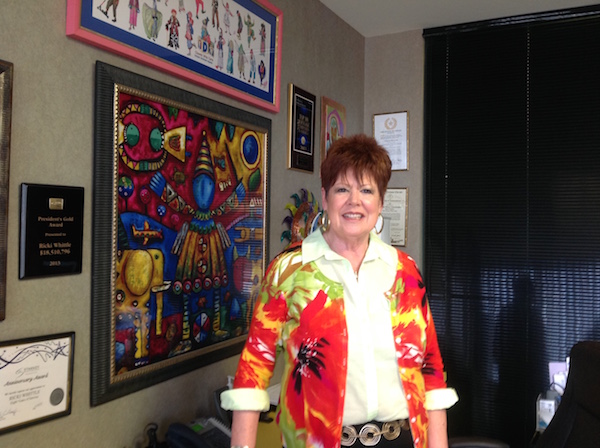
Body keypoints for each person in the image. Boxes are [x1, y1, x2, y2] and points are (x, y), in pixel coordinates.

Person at [221, 134, 458, 448]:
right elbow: (255, 367)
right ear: (325, 196)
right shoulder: (289, 271)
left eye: (367, 190)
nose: (354, 201)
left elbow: (430, 367)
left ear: (381, 201)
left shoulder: (405, 272)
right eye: (342, 189)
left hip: (403, 439)